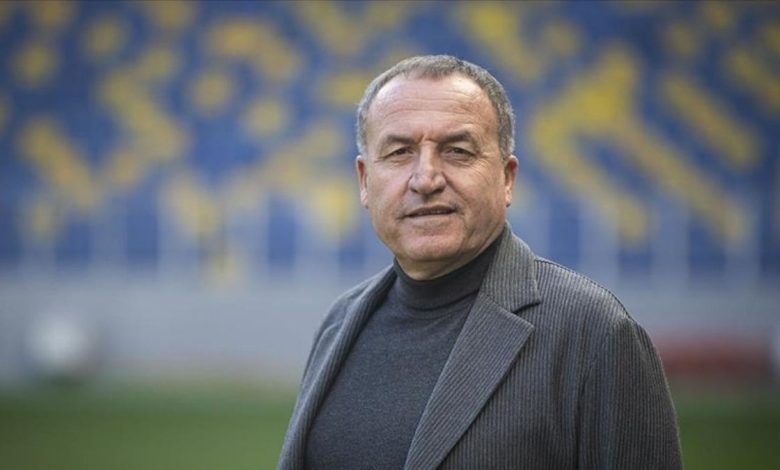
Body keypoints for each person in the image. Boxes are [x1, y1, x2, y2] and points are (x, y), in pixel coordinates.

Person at [278, 55, 682, 469]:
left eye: (457, 151)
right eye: (399, 152)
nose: (426, 179)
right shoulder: (340, 322)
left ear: (507, 178)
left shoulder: (594, 333)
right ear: (365, 181)